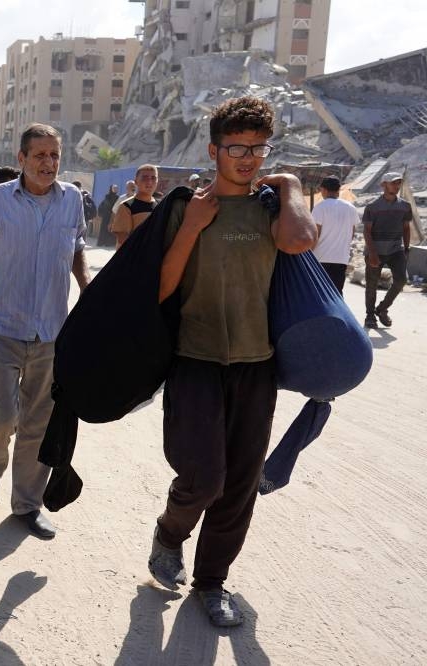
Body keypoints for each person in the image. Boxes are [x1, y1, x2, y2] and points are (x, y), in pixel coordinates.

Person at [150, 96, 316, 627]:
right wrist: (195, 225)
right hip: (194, 357)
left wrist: (288, 185)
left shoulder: (273, 209)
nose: (247, 157)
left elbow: (301, 240)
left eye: (257, 148)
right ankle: (170, 533)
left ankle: (212, 582)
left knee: (241, 483)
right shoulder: (184, 208)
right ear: (213, 149)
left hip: (255, 362)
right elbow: (162, 287)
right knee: (204, 476)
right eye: (236, 147)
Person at [0, 123, 90, 540]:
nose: (48, 163)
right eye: (40, 156)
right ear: (22, 159)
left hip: (52, 329)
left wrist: (87, 291)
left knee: (38, 422)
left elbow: (78, 249)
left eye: (55, 155)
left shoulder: (71, 201)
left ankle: (27, 505)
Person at [362, 172, 413, 329]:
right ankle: (370, 316)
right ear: (383, 185)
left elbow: (406, 228)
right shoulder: (372, 207)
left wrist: (406, 248)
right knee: (372, 285)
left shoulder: (405, 206)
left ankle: (382, 308)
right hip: (375, 250)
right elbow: (367, 232)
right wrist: (372, 254)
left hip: (395, 250)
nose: (396, 186)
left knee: (401, 280)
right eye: (393, 183)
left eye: (398, 183)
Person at [311, 176, 360, 294]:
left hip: (320, 258)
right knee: (336, 293)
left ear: (324, 190)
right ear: (338, 190)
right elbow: (351, 234)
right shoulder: (351, 208)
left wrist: (309, 255)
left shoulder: (320, 207)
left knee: (319, 293)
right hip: (341, 259)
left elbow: (315, 235)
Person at [110, 164, 159, 248]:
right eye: (144, 178)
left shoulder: (159, 205)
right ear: (136, 181)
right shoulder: (127, 206)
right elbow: (122, 239)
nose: (149, 182)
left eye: (153, 178)